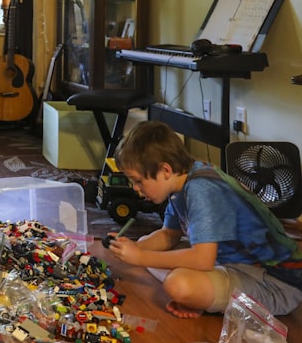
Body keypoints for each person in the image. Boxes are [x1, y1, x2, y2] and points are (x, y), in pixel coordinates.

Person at [110, 120, 302, 318]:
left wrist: (140, 257)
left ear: (165, 170)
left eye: (138, 180)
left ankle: (202, 297)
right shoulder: (181, 182)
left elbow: (203, 259)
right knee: (144, 244)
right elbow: (169, 234)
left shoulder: (202, 189)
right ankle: (205, 294)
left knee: (178, 284)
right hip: (227, 261)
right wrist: (132, 248)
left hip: (274, 285)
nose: (135, 188)